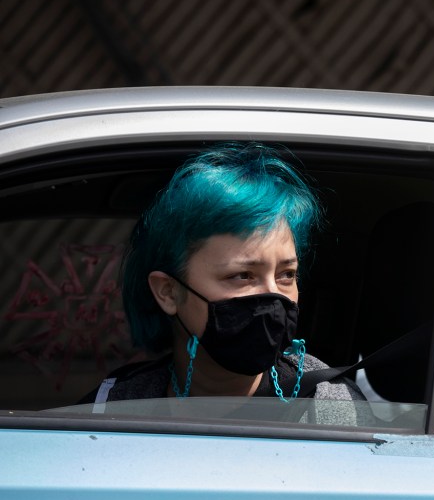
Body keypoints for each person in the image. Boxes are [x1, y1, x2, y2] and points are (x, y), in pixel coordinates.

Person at [80, 142, 363, 419]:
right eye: (242, 275)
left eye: (286, 275)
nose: (273, 295)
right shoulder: (113, 408)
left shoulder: (330, 408)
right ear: (168, 292)